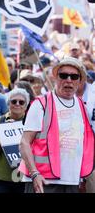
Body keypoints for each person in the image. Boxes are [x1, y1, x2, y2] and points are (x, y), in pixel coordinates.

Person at [19, 57, 94, 193]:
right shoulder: (41, 104)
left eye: (74, 76)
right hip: (43, 180)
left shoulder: (81, 106)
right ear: (56, 78)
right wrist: (34, 173)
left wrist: (82, 178)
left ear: (80, 81)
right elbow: (24, 142)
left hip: (71, 180)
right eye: (63, 75)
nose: (69, 80)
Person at [0, 88, 29, 193]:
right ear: (8, 104)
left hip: (25, 176)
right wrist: (4, 135)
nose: (17, 104)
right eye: (14, 101)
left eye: (21, 102)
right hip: (2, 178)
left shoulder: (30, 123)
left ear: (26, 106)